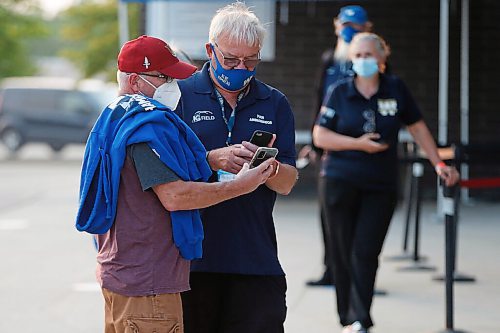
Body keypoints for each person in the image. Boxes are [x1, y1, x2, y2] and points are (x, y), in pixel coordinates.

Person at [75, 35, 277, 333]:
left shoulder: (115, 117)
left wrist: (208, 159)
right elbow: (174, 195)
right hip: (149, 284)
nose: (173, 85)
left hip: (120, 273)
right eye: (164, 77)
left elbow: (142, 174)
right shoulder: (147, 125)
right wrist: (240, 186)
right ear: (134, 81)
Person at [312, 32, 459, 333]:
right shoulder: (339, 91)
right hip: (339, 181)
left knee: (366, 251)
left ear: (382, 58)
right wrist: (357, 144)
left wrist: (439, 163)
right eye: (358, 55)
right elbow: (320, 136)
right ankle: (348, 318)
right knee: (341, 252)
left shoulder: (395, 88)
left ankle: (360, 319)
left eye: (369, 55)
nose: (363, 60)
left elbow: (418, 128)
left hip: (380, 185)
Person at [174, 3, 298, 333]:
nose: (241, 67)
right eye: (231, 59)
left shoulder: (275, 102)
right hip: (192, 261)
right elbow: (161, 174)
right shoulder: (180, 96)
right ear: (210, 50)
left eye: (251, 60)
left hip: (254, 258)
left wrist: (268, 167)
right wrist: (211, 159)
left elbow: (287, 183)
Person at [305, 4, 372, 287]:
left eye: (355, 26)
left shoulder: (371, 61)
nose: (348, 31)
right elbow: (319, 101)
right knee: (330, 216)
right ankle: (331, 269)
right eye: (344, 25)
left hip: (364, 150)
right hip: (332, 150)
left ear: (366, 28)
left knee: (361, 219)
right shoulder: (329, 59)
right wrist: (314, 144)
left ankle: (358, 274)